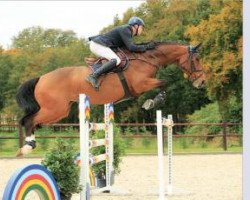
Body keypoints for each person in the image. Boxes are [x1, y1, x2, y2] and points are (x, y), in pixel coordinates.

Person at [86, 16, 156, 90]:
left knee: (116, 59)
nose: (142, 30)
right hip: (97, 45)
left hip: (99, 44)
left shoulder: (127, 31)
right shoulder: (126, 29)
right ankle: (93, 76)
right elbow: (131, 47)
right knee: (116, 60)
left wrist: (145, 46)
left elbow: (130, 47)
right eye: (142, 27)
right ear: (136, 26)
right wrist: (147, 47)